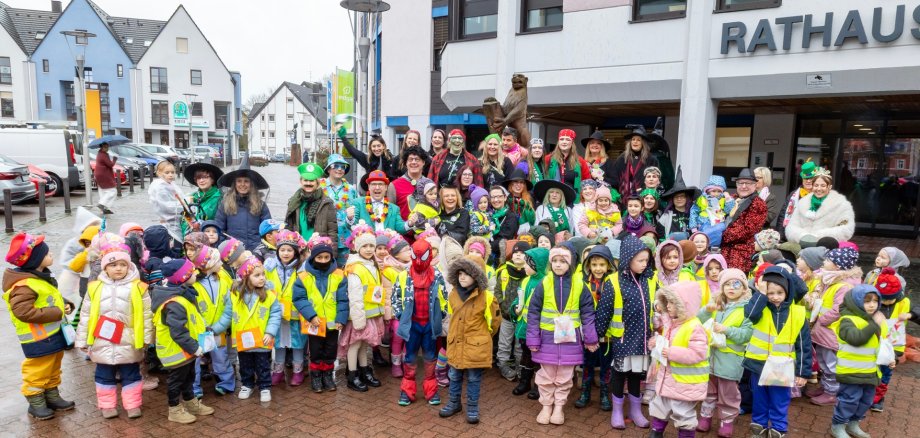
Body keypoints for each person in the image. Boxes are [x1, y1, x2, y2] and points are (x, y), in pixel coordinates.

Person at [3, 232, 76, 420]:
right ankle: (35, 401)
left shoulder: (40, 277)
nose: (51, 254)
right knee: (37, 370)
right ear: (35, 260)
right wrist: (57, 312)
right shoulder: (24, 285)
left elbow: (49, 298)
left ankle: (52, 395)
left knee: (53, 367)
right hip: (38, 339)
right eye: (46, 253)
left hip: (53, 334)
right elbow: (23, 312)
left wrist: (64, 303)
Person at [75, 244, 153, 419]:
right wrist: (81, 340)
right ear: (105, 267)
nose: (118, 268)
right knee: (103, 375)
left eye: (123, 264)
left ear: (129, 266)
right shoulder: (95, 288)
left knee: (131, 374)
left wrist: (147, 337)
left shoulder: (139, 288)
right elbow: (85, 315)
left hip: (129, 340)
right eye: (113, 265)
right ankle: (107, 405)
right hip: (102, 339)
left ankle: (132, 404)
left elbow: (147, 314)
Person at [527, 246, 599, 426]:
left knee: (565, 376)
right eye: (555, 261)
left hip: (570, 340)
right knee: (546, 375)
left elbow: (588, 312)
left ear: (571, 263)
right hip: (547, 338)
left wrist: (590, 338)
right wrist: (533, 338)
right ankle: (546, 406)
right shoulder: (543, 283)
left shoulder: (580, 284)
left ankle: (559, 407)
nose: (558, 265)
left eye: (563, 261)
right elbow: (533, 312)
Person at [594, 234, 655, 430]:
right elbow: (604, 310)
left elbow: (659, 307)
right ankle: (618, 411)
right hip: (622, 339)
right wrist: (598, 333)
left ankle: (636, 411)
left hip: (643, 339)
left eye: (646, 260)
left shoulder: (650, 281)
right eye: (640, 260)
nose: (644, 264)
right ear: (629, 259)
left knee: (637, 375)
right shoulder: (613, 281)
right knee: (619, 374)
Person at [743, 267, 812, 438]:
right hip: (758, 364)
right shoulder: (760, 307)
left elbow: (804, 346)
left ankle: (778, 429)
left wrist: (803, 372)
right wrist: (760, 293)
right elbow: (750, 314)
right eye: (770, 292)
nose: (774, 297)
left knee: (780, 401)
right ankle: (758, 427)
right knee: (759, 400)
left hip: (783, 367)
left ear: (787, 292)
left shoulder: (797, 313)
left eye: (779, 292)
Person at [150, 258, 214, 424]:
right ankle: (174, 409)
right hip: (176, 350)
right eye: (192, 272)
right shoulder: (175, 302)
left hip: (185, 349)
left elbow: (191, 320)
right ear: (182, 277)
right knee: (176, 381)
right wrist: (195, 347)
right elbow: (177, 331)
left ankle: (190, 402)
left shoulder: (183, 294)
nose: (196, 273)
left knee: (188, 377)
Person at [210, 256, 281, 403]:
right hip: (243, 340)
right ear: (245, 277)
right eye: (257, 275)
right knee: (245, 365)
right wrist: (215, 329)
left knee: (263, 365)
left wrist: (270, 332)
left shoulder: (269, 295)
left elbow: (275, 315)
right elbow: (227, 315)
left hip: (262, 338)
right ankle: (247, 384)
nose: (262, 278)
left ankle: (264, 386)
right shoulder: (235, 295)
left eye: (263, 275)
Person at [439, 255, 501, 424]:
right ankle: (454, 402)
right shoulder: (453, 294)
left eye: (467, 273)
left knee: (474, 378)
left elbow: (495, 323)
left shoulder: (487, 298)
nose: (463, 277)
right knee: (454, 375)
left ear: (477, 275)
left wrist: (482, 338)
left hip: (475, 346)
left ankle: (472, 406)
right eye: (460, 274)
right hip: (456, 343)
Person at [647, 281, 710, 438]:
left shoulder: (694, 326)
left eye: (673, 303)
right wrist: (657, 342)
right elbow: (667, 341)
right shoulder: (671, 323)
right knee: (660, 407)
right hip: (667, 379)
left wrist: (672, 352)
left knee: (684, 414)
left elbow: (699, 353)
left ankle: (685, 435)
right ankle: (656, 432)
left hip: (685, 382)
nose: (668, 306)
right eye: (667, 302)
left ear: (685, 305)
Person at [696, 269, 752, 437]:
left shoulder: (747, 310)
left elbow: (746, 334)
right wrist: (706, 310)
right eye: (727, 284)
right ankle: (705, 417)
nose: (731, 288)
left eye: (736, 284)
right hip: (711, 358)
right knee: (709, 391)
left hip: (730, 360)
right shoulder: (716, 304)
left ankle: (726, 422)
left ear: (744, 288)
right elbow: (698, 322)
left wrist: (727, 330)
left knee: (728, 394)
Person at [825, 285, 886, 438]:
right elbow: (856, 339)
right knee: (849, 400)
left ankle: (853, 424)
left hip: (870, 372)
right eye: (867, 301)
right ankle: (838, 425)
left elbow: (881, 344)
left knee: (866, 401)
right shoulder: (847, 320)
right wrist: (874, 325)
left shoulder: (874, 320)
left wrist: (889, 358)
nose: (872, 304)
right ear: (856, 302)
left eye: (875, 301)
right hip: (850, 371)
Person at [392, 239, 447, 406]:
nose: (418, 261)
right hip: (412, 325)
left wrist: (440, 315)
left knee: (430, 357)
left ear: (429, 256)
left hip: (429, 325)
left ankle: (431, 390)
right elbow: (395, 297)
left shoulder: (437, 275)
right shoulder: (404, 275)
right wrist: (401, 315)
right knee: (409, 357)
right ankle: (407, 391)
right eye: (415, 256)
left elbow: (444, 297)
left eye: (422, 257)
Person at [292, 235, 349, 393]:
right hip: (314, 323)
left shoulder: (339, 275)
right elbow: (298, 298)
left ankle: (328, 375)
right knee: (316, 351)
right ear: (313, 257)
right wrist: (311, 315)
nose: (323, 260)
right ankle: (316, 376)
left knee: (330, 350)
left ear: (331, 257)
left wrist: (341, 318)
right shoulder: (303, 277)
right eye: (320, 257)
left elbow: (343, 300)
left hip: (332, 323)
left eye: (326, 257)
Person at [808, 247, 863, 407]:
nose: (824, 262)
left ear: (837, 266)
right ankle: (826, 387)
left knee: (831, 363)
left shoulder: (844, 286)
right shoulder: (830, 280)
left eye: (827, 260)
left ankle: (832, 392)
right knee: (823, 361)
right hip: (823, 330)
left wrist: (822, 320)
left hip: (831, 331)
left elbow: (838, 309)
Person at [341, 225, 386, 392]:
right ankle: (352, 375)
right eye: (364, 246)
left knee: (363, 345)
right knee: (354, 345)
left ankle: (364, 371)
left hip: (369, 314)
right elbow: (355, 296)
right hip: (359, 316)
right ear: (357, 247)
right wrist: (359, 319)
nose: (369, 249)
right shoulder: (356, 268)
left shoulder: (370, 265)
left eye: (371, 246)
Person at [188, 247, 234, 398]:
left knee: (221, 357)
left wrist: (220, 326)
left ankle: (226, 383)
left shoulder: (222, 278)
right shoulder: (192, 282)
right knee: (194, 360)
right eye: (218, 260)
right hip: (197, 330)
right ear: (207, 264)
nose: (221, 263)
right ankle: (194, 388)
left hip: (218, 329)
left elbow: (229, 304)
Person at [574, 245, 616, 412]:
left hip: (608, 333)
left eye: (602, 265)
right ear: (588, 265)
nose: (598, 268)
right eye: (594, 265)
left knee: (606, 365)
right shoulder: (582, 282)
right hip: (588, 332)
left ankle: (604, 393)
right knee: (587, 363)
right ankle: (585, 392)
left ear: (608, 266)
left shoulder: (613, 282)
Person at [264, 231, 307, 387]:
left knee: (297, 343)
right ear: (277, 251)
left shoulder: (301, 269)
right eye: (282, 250)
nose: (286, 253)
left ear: (295, 252)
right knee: (279, 344)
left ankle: (298, 371)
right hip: (276, 314)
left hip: (295, 314)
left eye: (289, 250)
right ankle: (278, 371)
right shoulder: (269, 267)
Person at [785, 168, 856, 244]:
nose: (819, 189)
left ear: (829, 187)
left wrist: (819, 237)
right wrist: (803, 236)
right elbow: (791, 226)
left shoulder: (841, 204)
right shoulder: (802, 203)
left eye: (823, 185)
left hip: (827, 248)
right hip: (802, 247)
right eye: (816, 185)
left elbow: (846, 229)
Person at [214, 156, 271, 251]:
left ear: (251, 184)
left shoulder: (261, 205)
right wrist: (226, 247)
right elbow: (219, 230)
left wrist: (261, 250)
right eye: (239, 181)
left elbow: (268, 231)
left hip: (256, 252)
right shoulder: (225, 204)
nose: (242, 184)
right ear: (235, 184)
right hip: (232, 252)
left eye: (246, 181)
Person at [494, 240, 532, 381]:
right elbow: (497, 292)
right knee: (504, 343)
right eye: (516, 252)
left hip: (522, 318)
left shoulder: (529, 274)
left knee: (519, 345)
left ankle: (519, 366)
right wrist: (506, 307)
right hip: (506, 316)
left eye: (522, 253)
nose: (518, 255)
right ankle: (503, 365)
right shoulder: (504, 271)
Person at [872, 269, 908, 412]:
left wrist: (897, 353)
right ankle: (868, 396)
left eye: (889, 299)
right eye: (883, 299)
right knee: (872, 372)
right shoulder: (872, 301)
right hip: (874, 345)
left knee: (886, 374)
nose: (886, 302)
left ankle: (878, 398)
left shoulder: (904, 303)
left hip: (892, 347)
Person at [720, 169, 768, 274]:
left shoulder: (758, 204)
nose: (744, 186)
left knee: (734, 281)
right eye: (741, 183)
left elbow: (748, 230)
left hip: (740, 252)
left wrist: (721, 235)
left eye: (748, 183)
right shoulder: (730, 199)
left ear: (755, 185)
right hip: (722, 250)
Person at [284, 162, 338, 248]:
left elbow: (332, 232)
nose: (308, 183)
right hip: (298, 249)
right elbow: (288, 227)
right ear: (301, 181)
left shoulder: (327, 203)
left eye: (312, 181)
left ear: (317, 183)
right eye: (305, 180)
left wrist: (332, 255)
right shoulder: (294, 202)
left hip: (319, 251)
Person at [319, 154, 359, 261]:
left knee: (343, 271)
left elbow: (356, 212)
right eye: (335, 166)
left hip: (345, 238)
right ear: (328, 169)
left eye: (343, 166)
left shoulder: (351, 189)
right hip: (325, 236)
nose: (340, 169)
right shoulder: (319, 187)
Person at [348, 170, 407, 235]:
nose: (377, 187)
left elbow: (400, 228)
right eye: (374, 184)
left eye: (380, 184)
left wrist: (410, 223)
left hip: (387, 244)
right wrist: (350, 218)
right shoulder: (358, 203)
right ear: (369, 187)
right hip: (367, 243)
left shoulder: (394, 209)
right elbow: (350, 226)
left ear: (386, 187)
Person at [610, 125, 659, 197]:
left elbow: (656, 180)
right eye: (633, 139)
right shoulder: (622, 158)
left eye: (638, 140)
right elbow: (614, 178)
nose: (635, 142)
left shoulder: (651, 159)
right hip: (624, 198)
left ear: (643, 143)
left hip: (644, 197)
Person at [544, 129, 591, 203]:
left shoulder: (580, 161)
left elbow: (587, 182)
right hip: (552, 200)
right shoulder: (548, 159)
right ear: (558, 142)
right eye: (561, 139)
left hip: (572, 201)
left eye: (567, 139)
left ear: (572, 142)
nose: (564, 142)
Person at [689, 175, 734, 247]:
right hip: (703, 223)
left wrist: (728, 199)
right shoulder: (701, 199)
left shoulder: (723, 200)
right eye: (713, 191)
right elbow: (694, 212)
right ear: (708, 191)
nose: (716, 194)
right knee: (703, 240)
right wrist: (693, 228)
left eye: (719, 191)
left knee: (718, 233)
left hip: (718, 223)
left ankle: (714, 248)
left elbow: (729, 211)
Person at [181, 162, 224, 236]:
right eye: (198, 178)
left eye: (205, 177)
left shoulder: (220, 197)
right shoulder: (192, 197)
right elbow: (184, 219)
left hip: (211, 238)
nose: (201, 180)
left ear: (212, 180)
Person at [148, 161, 186, 243]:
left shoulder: (170, 184)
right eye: (167, 172)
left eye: (172, 172)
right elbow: (167, 206)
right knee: (176, 243)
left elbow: (180, 197)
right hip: (170, 222)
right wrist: (185, 204)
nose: (170, 175)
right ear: (159, 173)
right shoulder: (160, 187)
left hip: (174, 220)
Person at [388, 146, 430, 220]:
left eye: (417, 159)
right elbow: (390, 215)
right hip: (402, 230)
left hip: (426, 230)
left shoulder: (430, 185)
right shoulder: (394, 185)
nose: (413, 162)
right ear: (405, 163)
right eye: (410, 160)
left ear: (423, 162)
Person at [778, 160, 817, 237]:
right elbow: (783, 215)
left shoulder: (820, 196)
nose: (808, 181)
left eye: (811, 178)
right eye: (806, 178)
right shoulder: (793, 195)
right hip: (792, 235)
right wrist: (780, 235)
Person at [658, 167, 699, 240]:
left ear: (687, 198)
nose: (679, 199)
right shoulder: (666, 215)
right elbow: (660, 233)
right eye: (676, 197)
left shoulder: (694, 213)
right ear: (672, 200)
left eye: (682, 196)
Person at [487, 186, 521, 261]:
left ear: (505, 198)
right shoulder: (489, 215)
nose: (496, 200)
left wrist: (485, 246)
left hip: (501, 257)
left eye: (499, 196)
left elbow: (505, 238)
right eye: (493, 197)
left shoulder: (511, 217)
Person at [503, 168, 536, 233]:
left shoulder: (529, 201)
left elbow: (533, 220)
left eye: (522, 182)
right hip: (509, 234)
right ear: (511, 184)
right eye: (515, 181)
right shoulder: (505, 200)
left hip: (527, 235)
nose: (518, 185)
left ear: (524, 185)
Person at [94, 142, 118, 215]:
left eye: (107, 147)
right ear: (102, 147)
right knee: (113, 191)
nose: (107, 149)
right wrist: (114, 159)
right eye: (105, 147)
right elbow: (110, 164)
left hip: (98, 174)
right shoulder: (104, 155)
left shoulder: (99, 154)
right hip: (104, 174)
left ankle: (105, 209)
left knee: (103, 191)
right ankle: (103, 204)